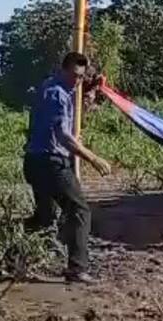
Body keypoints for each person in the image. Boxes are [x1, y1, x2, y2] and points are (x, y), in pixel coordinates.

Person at [23, 52, 112, 283]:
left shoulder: (52, 86)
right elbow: (63, 136)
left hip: (34, 161)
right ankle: (77, 269)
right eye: (74, 75)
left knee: (45, 217)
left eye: (81, 77)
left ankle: (12, 250)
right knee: (79, 211)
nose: (77, 81)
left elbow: (65, 118)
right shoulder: (57, 93)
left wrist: (92, 90)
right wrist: (93, 158)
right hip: (50, 162)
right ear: (62, 70)